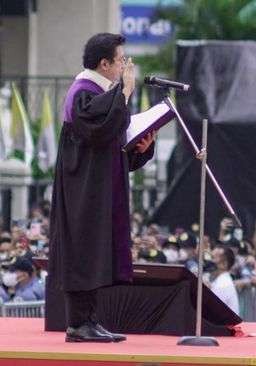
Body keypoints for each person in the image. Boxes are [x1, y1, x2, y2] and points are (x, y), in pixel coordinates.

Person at [48, 33, 155, 343]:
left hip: (97, 193)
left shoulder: (101, 95)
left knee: (95, 255)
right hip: (81, 195)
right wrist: (125, 92)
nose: (124, 65)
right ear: (104, 63)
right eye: (120, 60)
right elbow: (97, 133)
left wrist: (140, 147)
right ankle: (78, 324)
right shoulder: (82, 92)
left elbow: (111, 151)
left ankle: (91, 322)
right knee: (82, 254)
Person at [209, 246, 240, 316]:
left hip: (224, 325)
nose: (211, 262)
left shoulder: (223, 284)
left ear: (224, 264)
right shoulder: (221, 280)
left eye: (215, 257)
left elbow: (212, 310)